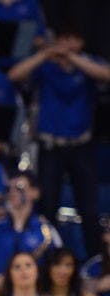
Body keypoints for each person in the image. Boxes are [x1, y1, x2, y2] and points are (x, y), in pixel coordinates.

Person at [8, 27, 110, 258]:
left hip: (81, 146)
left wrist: (72, 56)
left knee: (90, 210)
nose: (66, 45)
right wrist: (45, 53)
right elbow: (14, 75)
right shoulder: (45, 66)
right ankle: (46, 260)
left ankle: (96, 263)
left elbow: (106, 75)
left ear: (81, 42)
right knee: (48, 206)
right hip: (50, 147)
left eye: (72, 40)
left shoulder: (89, 63)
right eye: (62, 40)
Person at [0, 172, 60, 292]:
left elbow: (60, 268)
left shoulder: (46, 230)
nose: (12, 192)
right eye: (8, 189)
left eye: (19, 188)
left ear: (35, 193)